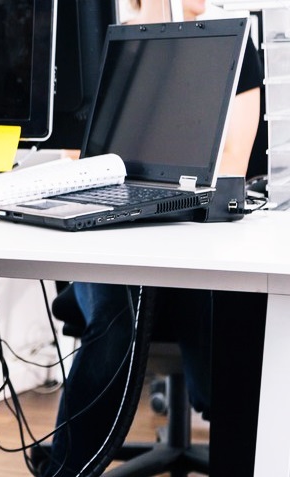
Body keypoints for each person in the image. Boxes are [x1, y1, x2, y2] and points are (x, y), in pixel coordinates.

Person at [40, 0, 264, 475]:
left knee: (235, 313)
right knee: (115, 317)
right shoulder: (99, 37)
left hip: (194, 237)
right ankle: (69, 468)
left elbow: (233, 166)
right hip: (111, 237)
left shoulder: (230, 39)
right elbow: (74, 162)